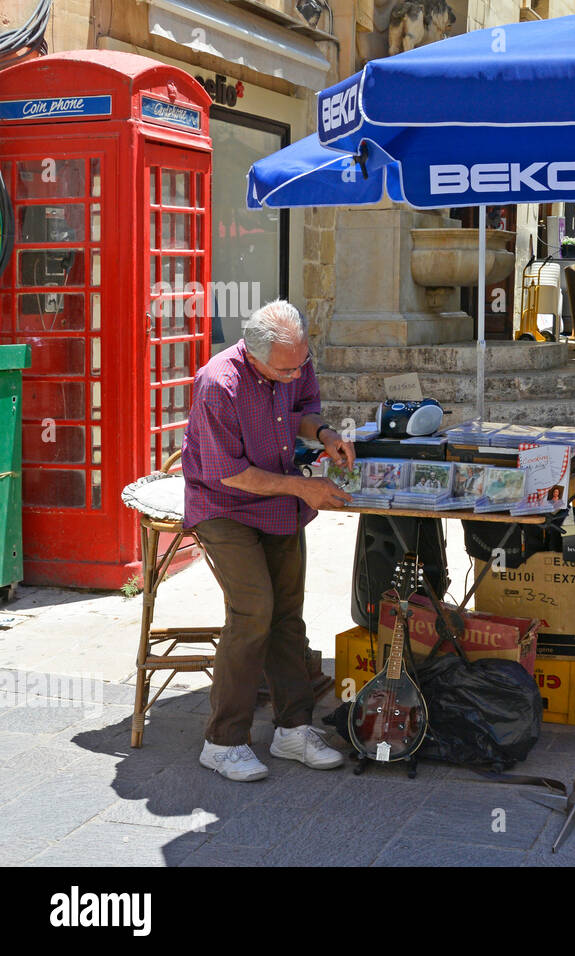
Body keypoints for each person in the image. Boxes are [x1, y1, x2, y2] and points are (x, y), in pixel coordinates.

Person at [184, 300, 352, 781]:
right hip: (225, 503)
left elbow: (303, 408)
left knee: (287, 612)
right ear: (254, 357)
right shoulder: (219, 383)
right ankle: (223, 740)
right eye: (285, 368)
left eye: (301, 361)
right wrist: (305, 488)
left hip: (277, 495)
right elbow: (230, 473)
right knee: (252, 610)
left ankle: (293, 729)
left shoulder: (292, 357)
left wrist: (324, 433)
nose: (296, 371)